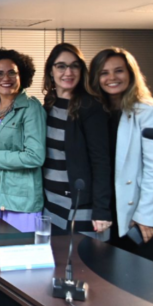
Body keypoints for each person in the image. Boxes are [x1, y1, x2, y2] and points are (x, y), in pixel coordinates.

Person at [87, 47, 153, 262]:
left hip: (136, 209)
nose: (112, 77)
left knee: (137, 278)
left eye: (118, 70)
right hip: (106, 205)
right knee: (104, 274)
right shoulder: (97, 111)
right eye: (104, 72)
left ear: (131, 73)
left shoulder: (148, 110)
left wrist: (146, 217)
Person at [41, 43, 112, 236]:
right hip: (49, 207)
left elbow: (101, 162)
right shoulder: (47, 106)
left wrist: (102, 211)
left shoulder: (91, 107)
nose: (68, 72)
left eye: (75, 66)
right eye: (61, 66)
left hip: (81, 209)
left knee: (83, 265)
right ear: (51, 71)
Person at [0, 49, 45, 231]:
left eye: (12, 72)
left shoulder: (31, 107)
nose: (6, 78)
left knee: (21, 252)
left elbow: (35, 156)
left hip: (19, 195)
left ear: (22, 75)